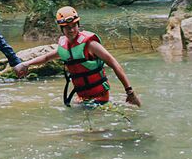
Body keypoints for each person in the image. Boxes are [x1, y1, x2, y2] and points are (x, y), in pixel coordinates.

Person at [13, 6, 141, 107]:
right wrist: (25, 64)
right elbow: (46, 57)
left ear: (78, 25)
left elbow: (113, 63)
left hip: (100, 96)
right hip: (81, 97)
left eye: (74, 25)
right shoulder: (64, 46)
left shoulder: (91, 44)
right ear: (61, 29)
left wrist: (129, 91)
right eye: (67, 27)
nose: (71, 30)